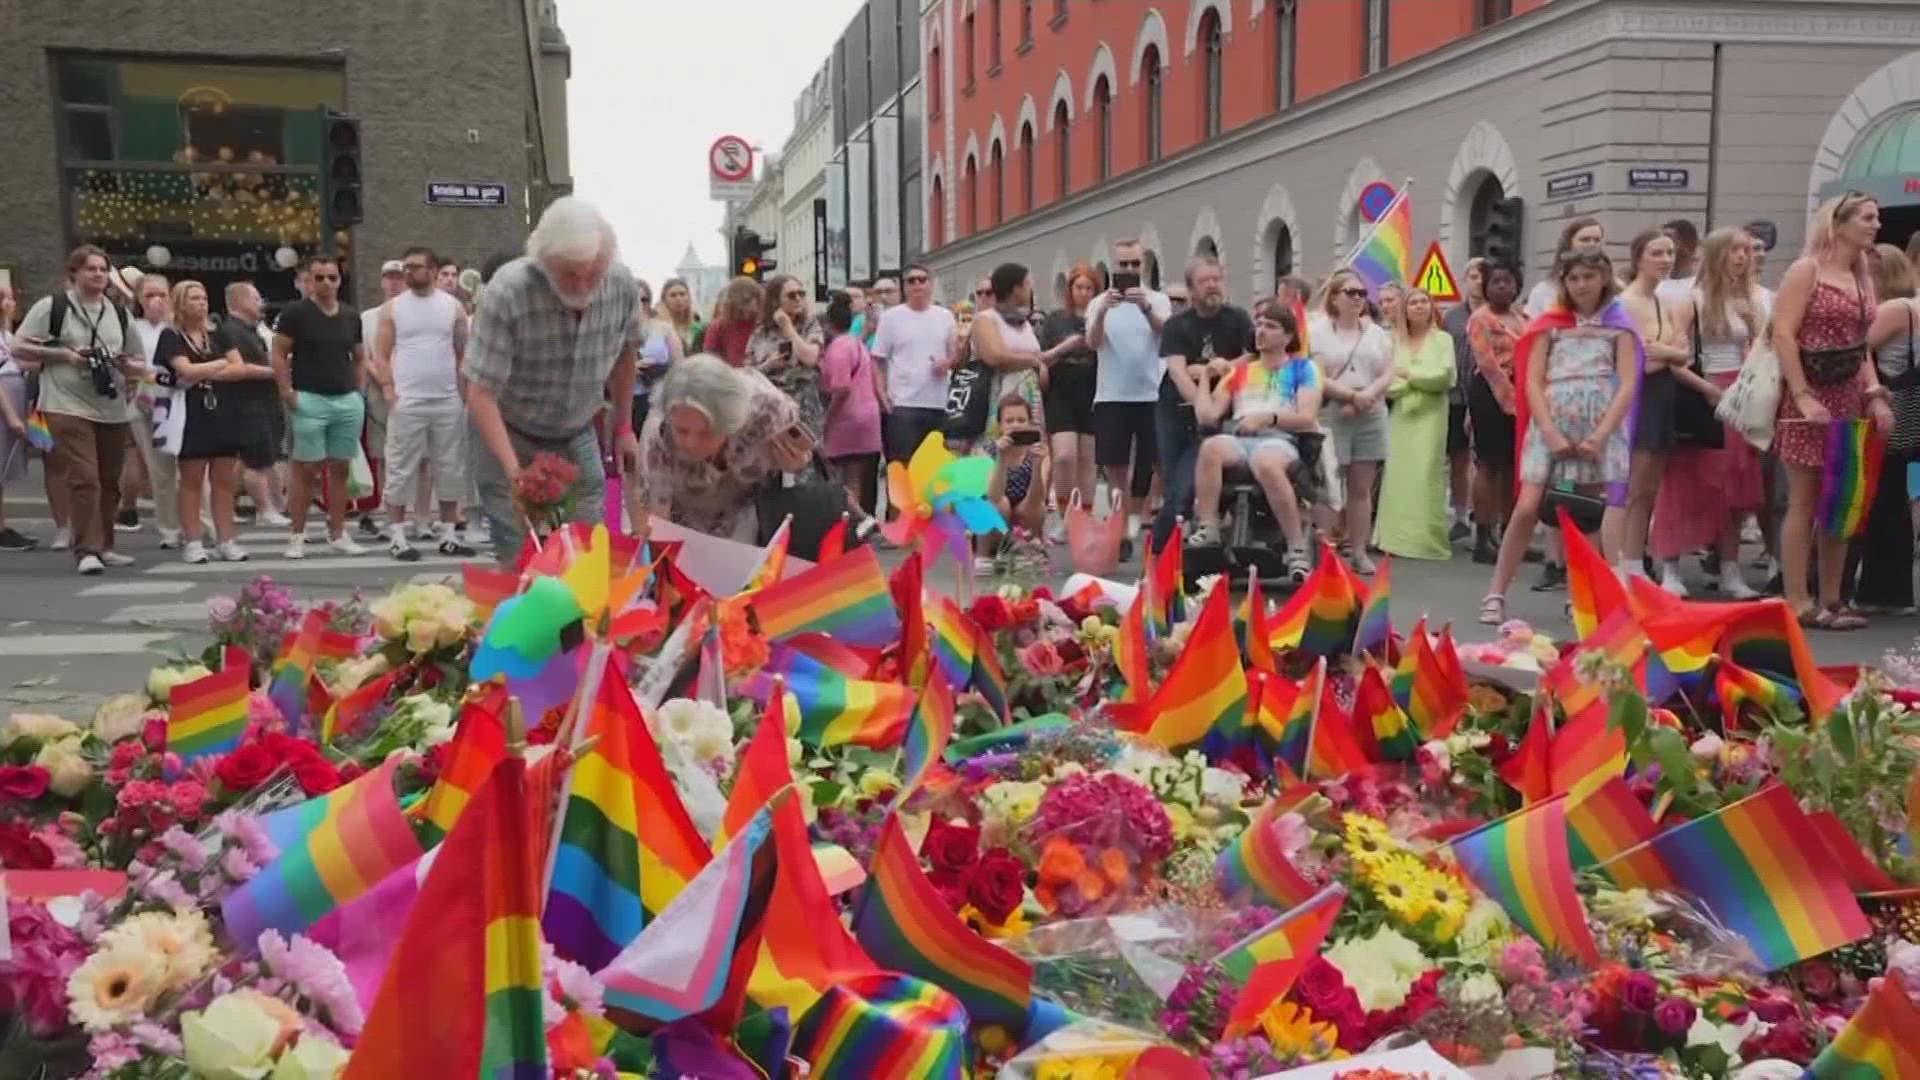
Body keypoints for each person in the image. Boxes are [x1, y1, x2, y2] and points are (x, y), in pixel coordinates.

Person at [466, 197, 641, 565]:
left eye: (591, 273)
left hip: (577, 427)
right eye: (568, 273)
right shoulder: (508, 291)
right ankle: (522, 607)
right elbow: (481, 392)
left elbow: (626, 356)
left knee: (590, 542)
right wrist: (514, 471)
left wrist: (623, 426)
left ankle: (581, 616)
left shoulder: (622, 285)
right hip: (509, 425)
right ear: (543, 262)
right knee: (517, 545)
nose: (581, 284)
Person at [1480, 250, 1638, 624]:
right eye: (1574, 278)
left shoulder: (1619, 325)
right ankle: (1496, 592)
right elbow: (1533, 380)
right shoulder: (1550, 324)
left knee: (1589, 516)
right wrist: (1549, 431)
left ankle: (1584, 595)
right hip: (1551, 422)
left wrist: (1601, 434)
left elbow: (1628, 382)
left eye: (1589, 277)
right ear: (1564, 283)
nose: (1582, 285)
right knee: (1527, 506)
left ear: (1603, 279)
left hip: (1600, 423)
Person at [1773, 193, 1889, 629]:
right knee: (1803, 499)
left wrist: (1875, 391)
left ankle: (1833, 598)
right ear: (1838, 225)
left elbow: (1862, 347)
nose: (1875, 224)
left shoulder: (1861, 276)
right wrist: (1801, 393)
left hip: (1848, 397)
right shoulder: (1808, 271)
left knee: (1841, 499)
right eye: (1868, 217)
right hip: (1809, 394)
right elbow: (1783, 334)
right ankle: (1797, 598)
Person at [1650, 227, 1769, 599]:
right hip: (1704, 391)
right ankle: (1669, 566)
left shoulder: (1751, 302)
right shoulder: (1693, 300)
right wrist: (1709, 390)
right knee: (1686, 482)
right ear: (1718, 255)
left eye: (1746, 250)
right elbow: (1673, 359)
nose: (1742, 257)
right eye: (1734, 250)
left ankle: (1730, 568)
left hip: (1740, 395)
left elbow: (1759, 350)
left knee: (1734, 487)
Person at [8, 245, 140, 575]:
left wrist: (122, 365)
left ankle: (106, 545)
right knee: (84, 477)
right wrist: (64, 355)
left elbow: (139, 361)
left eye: (103, 269)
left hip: (110, 405)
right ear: (74, 274)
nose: (98, 274)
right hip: (64, 404)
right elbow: (17, 345)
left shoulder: (119, 313)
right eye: (91, 268)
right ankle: (86, 550)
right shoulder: (53, 307)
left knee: (110, 480)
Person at [1190, 304, 1322, 581]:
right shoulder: (1238, 373)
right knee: (1210, 448)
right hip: (1241, 439)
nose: (1261, 330)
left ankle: (1297, 548)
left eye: (1271, 326)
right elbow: (1207, 416)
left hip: (1279, 438)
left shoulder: (1304, 369)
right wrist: (1204, 378)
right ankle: (1209, 527)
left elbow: (1307, 417)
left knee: (1265, 462)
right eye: (1259, 324)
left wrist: (1268, 418)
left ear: (1287, 337)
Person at [632, 354, 815, 541]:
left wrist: (796, 464)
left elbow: (801, 459)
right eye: (682, 431)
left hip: (754, 510)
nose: (691, 444)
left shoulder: (768, 408)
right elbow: (658, 515)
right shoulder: (659, 430)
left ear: (732, 425)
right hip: (690, 518)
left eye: (706, 433)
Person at [371, 247, 476, 562]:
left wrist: (462, 391)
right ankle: (398, 536)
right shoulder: (393, 309)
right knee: (401, 467)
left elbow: (462, 352)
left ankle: (447, 534)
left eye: (416, 267)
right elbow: (381, 353)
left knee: (449, 466)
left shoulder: (453, 307)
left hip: (446, 399)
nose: (409, 272)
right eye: (406, 267)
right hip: (409, 399)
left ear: (433, 270)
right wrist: (389, 389)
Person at [155, 280, 269, 564]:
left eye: (204, 297)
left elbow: (239, 368)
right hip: (191, 411)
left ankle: (226, 539)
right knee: (192, 479)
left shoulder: (219, 334)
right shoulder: (172, 335)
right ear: (180, 302)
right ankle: (193, 540)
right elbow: (184, 369)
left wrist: (205, 372)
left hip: (223, 408)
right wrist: (216, 367)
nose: (201, 303)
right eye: (194, 298)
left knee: (224, 479)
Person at [272, 255, 369, 559]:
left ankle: (338, 533)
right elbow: (278, 352)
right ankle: (297, 536)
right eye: (319, 277)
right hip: (309, 398)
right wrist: (287, 392)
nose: (326, 283)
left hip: (346, 399)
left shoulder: (352, 316)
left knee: (340, 468)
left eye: (332, 277)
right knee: (306, 469)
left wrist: (360, 391)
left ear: (340, 280)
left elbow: (360, 355)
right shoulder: (295, 313)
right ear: (308, 281)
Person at [1610, 229, 1693, 582]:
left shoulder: (1667, 303)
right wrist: (1666, 353)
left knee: (1650, 487)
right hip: (1637, 396)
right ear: (1638, 258)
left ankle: (1634, 559)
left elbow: (1683, 354)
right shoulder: (1625, 303)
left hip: (1662, 393)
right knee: (1633, 486)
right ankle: (1625, 562)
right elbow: (1638, 361)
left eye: (1670, 253)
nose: (1666, 260)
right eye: (1657, 253)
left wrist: (1666, 352)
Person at [1155, 255, 1254, 548]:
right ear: (1191, 289)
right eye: (1204, 281)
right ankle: (1164, 551)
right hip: (1174, 411)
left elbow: (1252, 356)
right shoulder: (1177, 325)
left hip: (1220, 412)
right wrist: (1202, 404)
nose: (1212, 286)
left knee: (1191, 484)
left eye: (1216, 279)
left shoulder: (1238, 318)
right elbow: (1177, 371)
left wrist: (1219, 368)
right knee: (1176, 485)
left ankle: (1173, 548)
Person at [1309, 269, 1395, 574]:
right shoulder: (1318, 331)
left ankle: (1358, 551)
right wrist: (1350, 396)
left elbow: (1388, 371)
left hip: (1370, 411)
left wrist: (1366, 396)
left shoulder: (1376, 333)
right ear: (1334, 297)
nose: (1358, 298)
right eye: (1351, 292)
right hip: (1332, 411)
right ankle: (1325, 552)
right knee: (1329, 486)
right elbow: (1316, 375)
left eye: (1361, 293)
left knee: (1361, 488)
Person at [1086, 239, 1171, 542]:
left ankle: (1137, 515)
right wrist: (1102, 312)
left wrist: (1144, 308)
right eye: (1124, 265)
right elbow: (1093, 342)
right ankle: (1120, 529)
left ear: (1143, 265)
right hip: (1111, 394)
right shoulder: (1099, 302)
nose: (1130, 270)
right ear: (1114, 267)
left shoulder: (1157, 300)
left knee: (1146, 465)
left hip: (1149, 393)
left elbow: (1166, 333)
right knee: (1116, 467)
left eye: (1135, 264)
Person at [1851, 243, 1919, 613]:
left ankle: (1882, 590)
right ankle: (1891, 589)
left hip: (1894, 405)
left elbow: (1855, 349)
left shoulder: (1895, 309)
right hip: (1912, 407)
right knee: (1898, 495)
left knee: (1883, 497)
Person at [1376, 288, 1457, 559]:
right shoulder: (1393, 341)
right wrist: (1416, 380)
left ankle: (1424, 540)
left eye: (1424, 301)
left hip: (1432, 414)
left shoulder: (1443, 339)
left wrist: (1409, 374)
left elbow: (1444, 376)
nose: (1419, 306)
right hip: (1401, 414)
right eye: (1413, 302)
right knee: (1398, 474)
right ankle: (1395, 539)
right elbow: (1389, 383)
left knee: (1426, 473)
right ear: (1405, 309)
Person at [216, 283, 291, 531]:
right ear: (239, 300)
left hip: (265, 399)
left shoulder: (253, 330)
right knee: (256, 461)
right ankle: (264, 509)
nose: (262, 304)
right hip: (247, 402)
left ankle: (277, 505)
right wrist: (275, 371)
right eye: (256, 298)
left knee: (268, 457)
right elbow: (237, 367)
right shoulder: (230, 331)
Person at [1467, 262, 1527, 565]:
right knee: (1488, 464)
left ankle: (1509, 534)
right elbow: (1487, 362)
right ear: (1486, 287)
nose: (1502, 287)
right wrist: (1509, 400)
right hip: (1489, 392)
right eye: (1496, 282)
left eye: (1508, 281)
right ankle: (1482, 537)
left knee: (1511, 466)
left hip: (1520, 390)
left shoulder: (1523, 317)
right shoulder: (1480, 318)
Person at [871, 264, 957, 463]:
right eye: (911, 280)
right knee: (902, 466)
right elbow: (877, 359)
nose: (917, 284)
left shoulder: (945, 316)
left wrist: (947, 362)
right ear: (904, 287)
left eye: (922, 279)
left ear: (931, 284)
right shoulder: (891, 317)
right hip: (903, 404)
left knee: (934, 469)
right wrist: (881, 393)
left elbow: (955, 355)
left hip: (937, 403)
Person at [120, 272, 180, 544]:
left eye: (162, 295)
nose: (156, 301)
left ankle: (198, 523)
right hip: (145, 399)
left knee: (189, 469)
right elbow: (122, 363)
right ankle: (169, 527)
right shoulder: (132, 328)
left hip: (178, 398)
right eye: (149, 295)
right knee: (160, 468)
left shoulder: (178, 327)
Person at [1037, 263, 1098, 532]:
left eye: (1089, 288)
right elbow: (1042, 358)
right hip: (1061, 392)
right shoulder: (1055, 320)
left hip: (1093, 391)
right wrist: (1066, 346)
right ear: (1070, 290)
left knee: (1088, 458)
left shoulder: (1100, 316)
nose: (1083, 293)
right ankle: (1064, 514)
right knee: (1063, 456)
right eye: (1079, 287)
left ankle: (1085, 514)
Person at [355, 259, 410, 537]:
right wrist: (386, 384)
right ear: (381, 281)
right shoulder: (368, 317)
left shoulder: (414, 312)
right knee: (382, 457)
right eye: (389, 277)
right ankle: (378, 513)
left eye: (399, 277)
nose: (394, 282)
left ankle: (408, 515)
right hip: (380, 396)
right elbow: (366, 357)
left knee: (409, 458)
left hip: (413, 393)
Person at [971, 262, 1054, 443]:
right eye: (1027, 284)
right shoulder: (986, 319)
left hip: (1030, 396)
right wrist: (1033, 361)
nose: (1029, 289)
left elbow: (1037, 357)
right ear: (1016, 288)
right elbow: (994, 355)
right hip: (1001, 393)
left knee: (1031, 450)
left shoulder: (1023, 323)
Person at [820, 290, 883, 516]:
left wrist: (828, 418)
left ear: (828, 324)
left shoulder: (837, 349)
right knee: (856, 477)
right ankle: (855, 523)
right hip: (868, 416)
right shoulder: (856, 344)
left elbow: (842, 387)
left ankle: (853, 521)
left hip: (847, 419)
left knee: (838, 478)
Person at [1440, 257, 1484, 543]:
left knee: (1486, 462)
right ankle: (1459, 515)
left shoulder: (1499, 313)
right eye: (1473, 275)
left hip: (1486, 395)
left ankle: (1484, 515)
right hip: (1456, 396)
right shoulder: (1452, 317)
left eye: (1482, 276)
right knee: (1458, 458)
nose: (1477, 281)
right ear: (1465, 279)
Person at [986, 395, 1051, 550]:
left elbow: (1038, 500)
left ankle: (1025, 542)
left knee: (1038, 507)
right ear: (1000, 425)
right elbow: (993, 496)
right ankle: (993, 548)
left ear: (1029, 423)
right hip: (995, 518)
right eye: (1009, 421)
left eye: (1021, 420)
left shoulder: (1039, 453)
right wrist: (1001, 457)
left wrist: (1037, 466)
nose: (1016, 425)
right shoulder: (988, 451)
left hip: (1023, 514)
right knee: (1001, 504)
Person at [0, 283, 36, 551]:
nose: (13, 303)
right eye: (8, 298)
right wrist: (12, 416)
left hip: (17, 397)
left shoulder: (8, 334)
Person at [1526, 218, 1606, 318]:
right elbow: (1532, 329)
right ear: (1569, 243)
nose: (1592, 244)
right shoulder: (1544, 290)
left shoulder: (1615, 286)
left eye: (1597, 240)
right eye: (1585, 240)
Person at [701, 277, 760, 367]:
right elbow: (710, 357)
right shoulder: (718, 326)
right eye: (745, 302)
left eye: (752, 300)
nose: (749, 306)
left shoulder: (761, 324)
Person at [1657, 219, 1702, 303]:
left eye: (1669, 238)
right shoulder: (1655, 285)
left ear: (1688, 245)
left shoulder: (1700, 288)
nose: (1662, 244)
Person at [659, 277, 705, 356]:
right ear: (664, 300)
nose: (678, 299)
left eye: (682, 294)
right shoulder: (658, 326)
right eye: (673, 295)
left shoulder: (699, 325)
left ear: (689, 297)